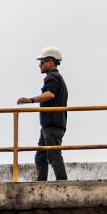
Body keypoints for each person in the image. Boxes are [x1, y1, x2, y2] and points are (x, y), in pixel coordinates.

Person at [17, 47, 69, 181]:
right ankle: (41, 183)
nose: (39, 65)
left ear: (51, 62)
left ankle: (62, 183)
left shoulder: (52, 77)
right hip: (50, 125)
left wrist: (31, 100)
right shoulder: (57, 78)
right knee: (40, 157)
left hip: (52, 124)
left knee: (53, 155)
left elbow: (50, 94)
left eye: (42, 62)